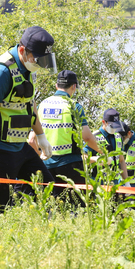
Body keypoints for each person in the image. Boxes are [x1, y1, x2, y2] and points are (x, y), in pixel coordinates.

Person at [0, 26, 57, 211]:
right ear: (22, 50)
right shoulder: (1, 72)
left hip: (20, 145)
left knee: (47, 189)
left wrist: (41, 136)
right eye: (37, 59)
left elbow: (30, 104)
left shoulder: (29, 67)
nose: (39, 64)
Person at [30, 70, 101, 205]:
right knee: (77, 206)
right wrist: (104, 152)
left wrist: (40, 156)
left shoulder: (41, 105)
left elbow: (31, 140)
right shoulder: (74, 106)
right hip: (71, 165)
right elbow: (88, 138)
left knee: (51, 206)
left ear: (56, 85)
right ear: (74, 86)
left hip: (46, 165)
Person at [83, 108, 129, 185]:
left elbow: (121, 160)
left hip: (116, 183)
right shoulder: (93, 138)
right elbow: (82, 158)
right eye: (112, 126)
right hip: (99, 184)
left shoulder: (118, 137)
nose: (114, 128)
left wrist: (126, 182)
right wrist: (95, 159)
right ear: (104, 122)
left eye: (116, 125)